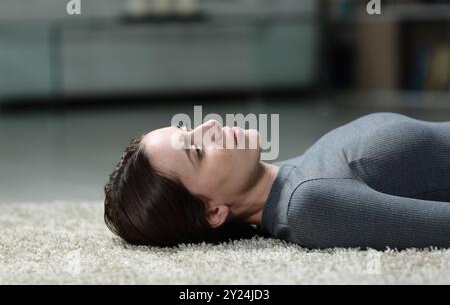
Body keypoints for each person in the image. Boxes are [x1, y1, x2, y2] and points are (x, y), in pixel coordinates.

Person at [104, 112, 450, 250]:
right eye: (197, 149)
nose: (210, 125)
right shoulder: (308, 204)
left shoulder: (286, 176)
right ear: (212, 212)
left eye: (188, 129)